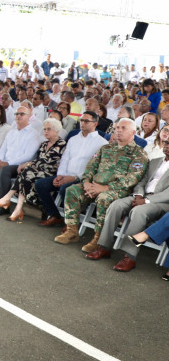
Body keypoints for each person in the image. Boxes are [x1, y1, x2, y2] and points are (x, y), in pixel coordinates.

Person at [54, 118, 148, 248]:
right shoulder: (106, 148)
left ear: (133, 132)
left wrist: (105, 188)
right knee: (72, 190)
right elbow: (90, 167)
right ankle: (72, 231)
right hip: (93, 186)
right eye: (117, 128)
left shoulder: (139, 153)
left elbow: (132, 178)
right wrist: (86, 183)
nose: (119, 130)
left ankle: (98, 239)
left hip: (117, 190)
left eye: (123, 128)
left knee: (104, 198)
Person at [85, 140, 169, 272]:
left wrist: (146, 201)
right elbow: (142, 181)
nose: (167, 146)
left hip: (160, 203)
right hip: (141, 196)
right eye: (167, 143)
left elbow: (167, 194)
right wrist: (139, 195)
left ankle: (129, 256)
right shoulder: (155, 161)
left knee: (138, 212)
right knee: (116, 205)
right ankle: (104, 246)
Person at [33, 111, 108, 227]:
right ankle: (54, 215)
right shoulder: (73, 139)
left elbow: (96, 168)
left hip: (82, 179)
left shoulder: (102, 143)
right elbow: (65, 158)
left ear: (95, 123)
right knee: (40, 184)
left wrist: (75, 177)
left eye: (86, 121)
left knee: (65, 189)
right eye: (81, 120)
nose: (82, 123)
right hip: (65, 175)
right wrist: (60, 175)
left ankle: (70, 223)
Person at [0, 118, 67, 222]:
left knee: (27, 172)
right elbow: (37, 160)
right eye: (44, 129)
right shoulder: (44, 144)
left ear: (57, 130)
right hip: (37, 171)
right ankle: (17, 209)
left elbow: (54, 163)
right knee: (25, 172)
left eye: (49, 129)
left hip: (51, 173)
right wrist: (26, 164)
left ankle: (9, 198)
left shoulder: (62, 144)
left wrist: (28, 165)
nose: (45, 131)